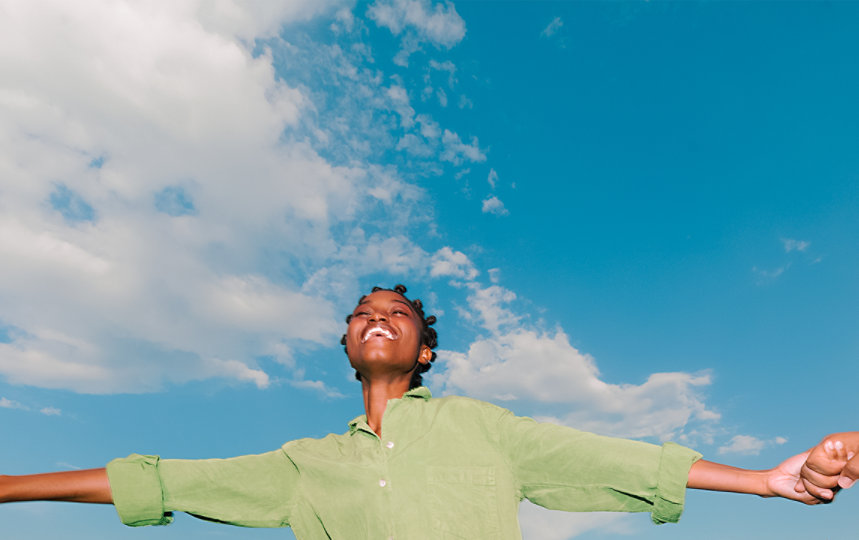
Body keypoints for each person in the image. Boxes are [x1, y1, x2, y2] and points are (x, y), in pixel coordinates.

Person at [0, 285, 853, 539]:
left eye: (398, 313)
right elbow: (159, 481)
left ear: (425, 350)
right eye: (363, 311)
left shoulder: (485, 428)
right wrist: (9, 487)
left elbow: (621, 462)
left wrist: (767, 483)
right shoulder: (303, 465)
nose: (378, 316)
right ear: (345, 344)